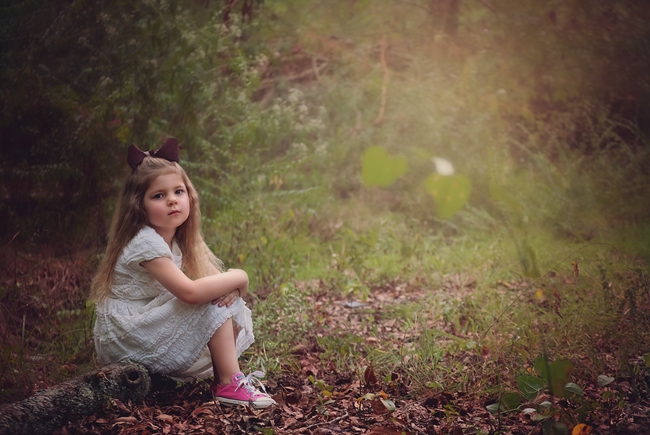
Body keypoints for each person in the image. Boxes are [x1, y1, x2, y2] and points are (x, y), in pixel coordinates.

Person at [90, 138, 276, 409]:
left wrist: (230, 287)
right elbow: (190, 293)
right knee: (209, 301)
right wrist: (241, 277)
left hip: (144, 325)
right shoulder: (145, 242)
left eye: (178, 192)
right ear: (138, 206)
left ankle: (225, 380)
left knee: (224, 299)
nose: (172, 202)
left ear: (190, 195)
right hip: (125, 336)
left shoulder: (177, 239)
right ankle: (228, 384)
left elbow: (213, 282)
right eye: (159, 196)